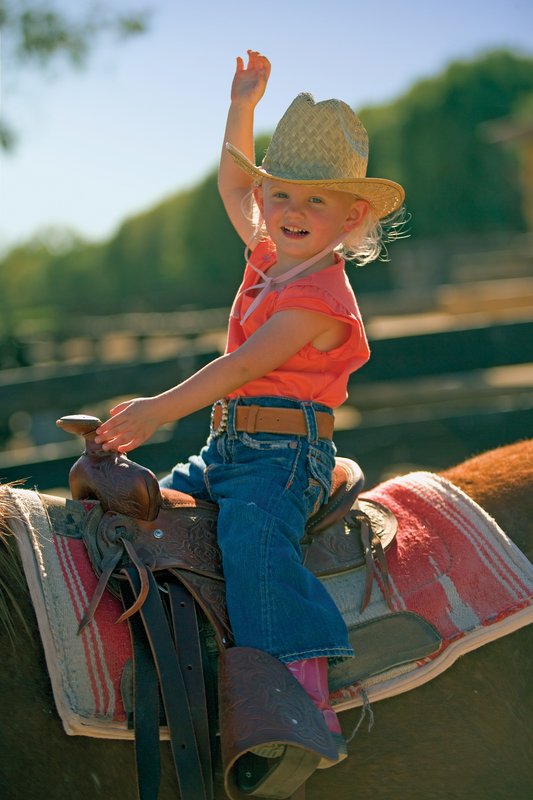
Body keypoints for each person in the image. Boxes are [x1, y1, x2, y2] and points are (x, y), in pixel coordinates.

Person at [95, 50, 405, 767]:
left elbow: (240, 366)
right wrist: (242, 105)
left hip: (284, 459)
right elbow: (234, 178)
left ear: (351, 216)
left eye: (315, 201)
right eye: (282, 196)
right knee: (150, 513)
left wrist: (155, 411)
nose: (291, 211)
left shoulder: (319, 301)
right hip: (230, 449)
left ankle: (297, 696)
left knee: (253, 548)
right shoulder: (270, 253)